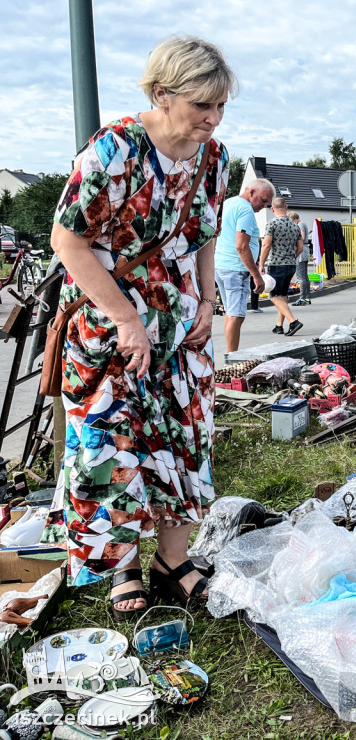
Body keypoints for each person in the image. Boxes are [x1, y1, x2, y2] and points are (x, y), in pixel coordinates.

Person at [45, 35, 234, 616]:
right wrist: (125, 317)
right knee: (115, 449)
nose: (213, 116)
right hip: (110, 332)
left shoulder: (214, 157)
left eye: (221, 104)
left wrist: (207, 299)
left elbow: (203, 235)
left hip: (179, 329)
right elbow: (67, 240)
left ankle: (171, 559)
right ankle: (123, 568)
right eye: (202, 103)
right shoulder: (115, 150)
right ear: (161, 93)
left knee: (184, 440)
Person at [215, 180, 274, 353]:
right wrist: (256, 275)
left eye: (267, 203)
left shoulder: (228, 203)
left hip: (222, 266)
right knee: (237, 316)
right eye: (263, 200)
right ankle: (232, 358)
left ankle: (230, 354)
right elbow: (241, 246)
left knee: (230, 313)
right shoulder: (245, 210)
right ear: (251, 192)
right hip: (236, 269)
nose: (264, 206)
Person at [258, 198, 303, 336]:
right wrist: (291, 257)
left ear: (272, 209)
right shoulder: (295, 225)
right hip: (291, 265)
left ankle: (293, 321)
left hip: (276, 265)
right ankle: (279, 326)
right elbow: (300, 247)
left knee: (274, 296)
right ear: (286, 207)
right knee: (282, 295)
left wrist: (261, 263)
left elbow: (266, 245)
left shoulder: (272, 223)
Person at [289, 211, 312, 306]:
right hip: (305, 251)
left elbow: (301, 237)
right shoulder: (304, 224)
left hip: (301, 252)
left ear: (294, 219)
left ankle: (302, 298)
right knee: (305, 276)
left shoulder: (300, 224)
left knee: (301, 277)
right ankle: (307, 297)